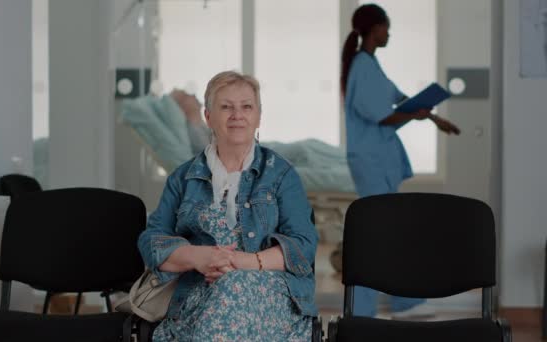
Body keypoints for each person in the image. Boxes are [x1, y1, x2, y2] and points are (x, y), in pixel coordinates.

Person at [139, 71, 318, 341]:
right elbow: (151, 242)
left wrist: (243, 262)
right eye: (226, 107)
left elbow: (303, 247)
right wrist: (200, 257)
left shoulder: (281, 175)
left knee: (234, 284)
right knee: (228, 291)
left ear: (258, 116)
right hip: (199, 296)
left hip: (273, 296)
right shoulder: (183, 178)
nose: (237, 115)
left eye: (246, 106)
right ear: (208, 116)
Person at [341, 4, 460, 319]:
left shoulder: (371, 66)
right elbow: (384, 116)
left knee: (386, 230)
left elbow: (402, 101)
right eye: (386, 27)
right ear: (373, 28)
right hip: (369, 160)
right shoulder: (362, 67)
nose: (389, 33)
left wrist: (433, 117)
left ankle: (399, 303)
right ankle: (370, 310)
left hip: (376, 159)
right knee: (379, 232)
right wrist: (418, 115)